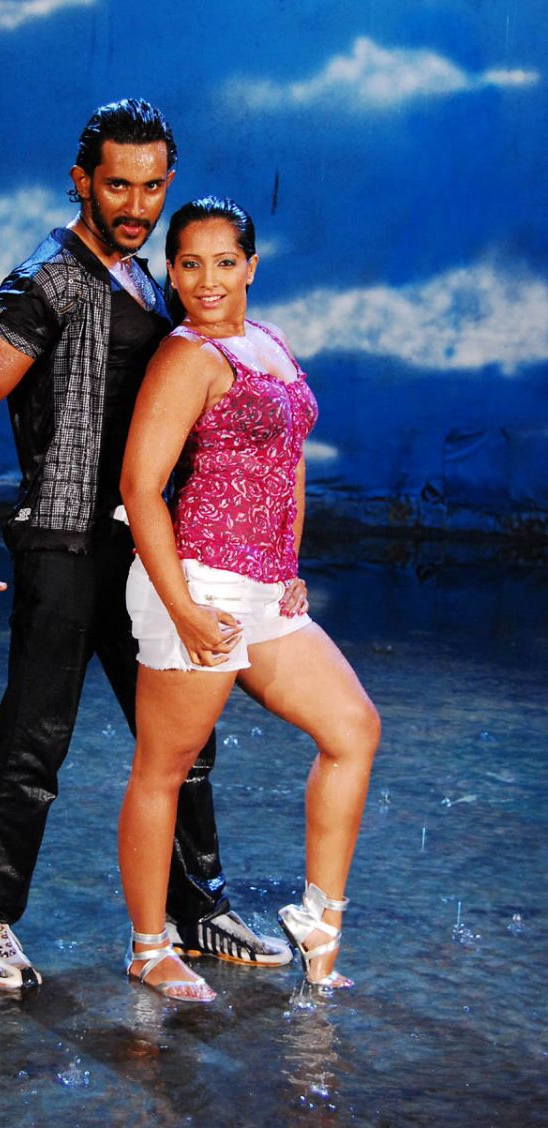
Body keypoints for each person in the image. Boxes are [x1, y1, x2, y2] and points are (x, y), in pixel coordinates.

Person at [0, 102, 291, 990]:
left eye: (152, 186)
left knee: (182, 734)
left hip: (143, 547)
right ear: (81, 180)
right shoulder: (48, 278)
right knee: (36, 736)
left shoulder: (148, 281)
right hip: (62, 546)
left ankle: (197, 912)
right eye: (119, 184)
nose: (137, 204)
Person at [118, 196, 380, 1002]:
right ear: (172, 272)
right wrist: (184, 608)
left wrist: (289, 562)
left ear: (251, 267)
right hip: (197, 584)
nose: (207, 280)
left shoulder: (269, 341)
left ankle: (320, 926)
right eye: (190, 264)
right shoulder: (185, 357)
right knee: (163, 771)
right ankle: (149, 947)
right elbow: (140, 487)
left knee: (353, 729)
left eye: (224, 262)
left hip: (266, 591)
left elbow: (290, 456)